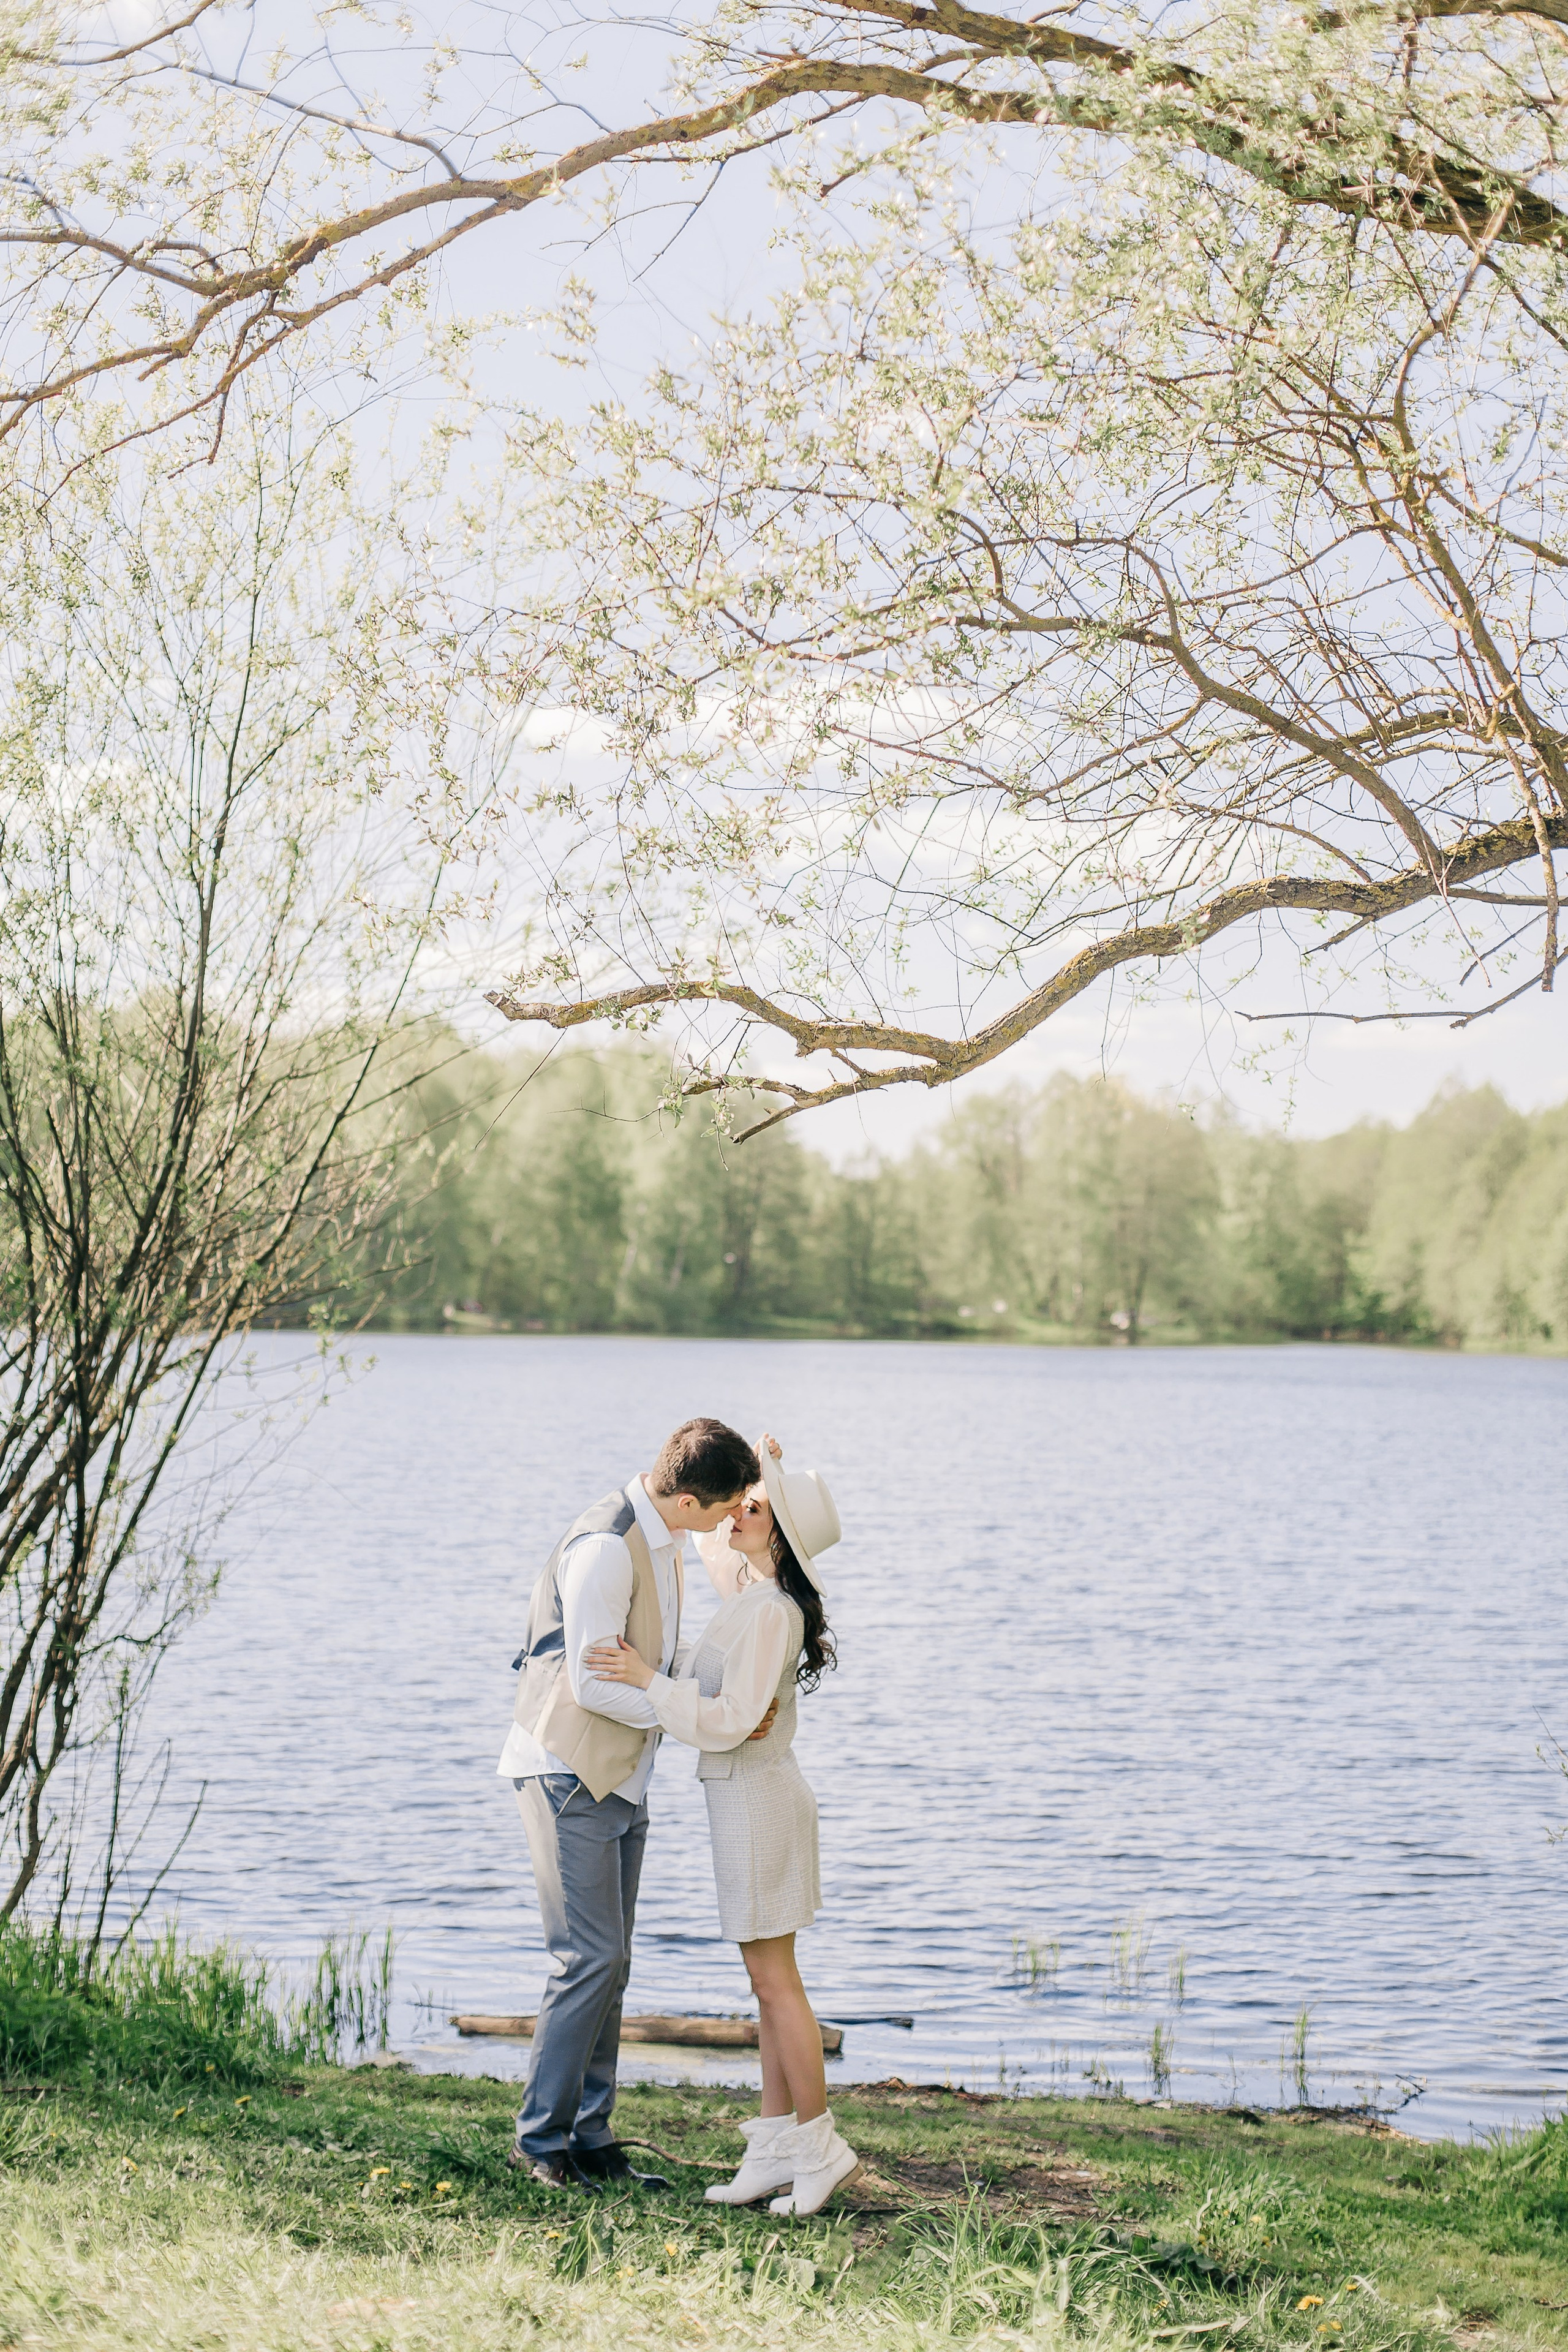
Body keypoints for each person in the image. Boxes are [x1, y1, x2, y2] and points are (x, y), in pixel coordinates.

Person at [586, 1433, 860, 2217]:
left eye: (756, 1509)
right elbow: (709, 1533)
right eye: (742, 1502)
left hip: (758, 1802)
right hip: (745, 1800)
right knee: (766, 1985)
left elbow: (734, 1719)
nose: (737, 1513)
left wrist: (647, 1680)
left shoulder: (770, 1611)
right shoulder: (751, 1594)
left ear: (780, 1537)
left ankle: (820, 2151)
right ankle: (773, 2149)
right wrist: (763, 1467)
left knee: (777, 1986)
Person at [499, 1416, 760, 2190]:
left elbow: (656, 1660)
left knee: (612, 1963)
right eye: (725, 1509)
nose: (728, 1523)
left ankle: (590, 2136)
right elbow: (592, 1685)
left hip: (622, 1772)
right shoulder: (607, 1547)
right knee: (589, 1958)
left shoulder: (665, 1535)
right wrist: (692, 1715)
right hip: (567, 1770)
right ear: (688, 1500)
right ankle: (538, 2143)